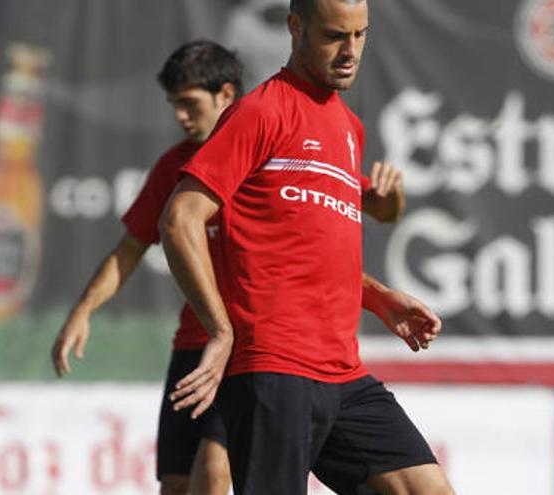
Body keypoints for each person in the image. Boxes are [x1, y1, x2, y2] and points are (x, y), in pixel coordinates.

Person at [52, 39, 409, 495]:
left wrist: (391, 198)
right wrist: (83, 311)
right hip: (196, 344)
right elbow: (130, 249)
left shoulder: (269, 138)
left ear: (225, 95)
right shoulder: (175, 166)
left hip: (251, 346)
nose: (180, 116)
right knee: (180, 485)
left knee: (217, 469)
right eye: (173, 105)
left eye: (188, 103)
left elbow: (367, 218)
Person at [159, 1, 456, 494]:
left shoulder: (349, 127)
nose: (351, 51)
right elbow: (180, 219)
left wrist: (377, 295)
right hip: (273, 368)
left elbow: (304, 248)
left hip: (343, 372)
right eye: (336, 35)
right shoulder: (260, 111)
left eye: (361, 35)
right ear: (295, 28)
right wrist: (219, 329)